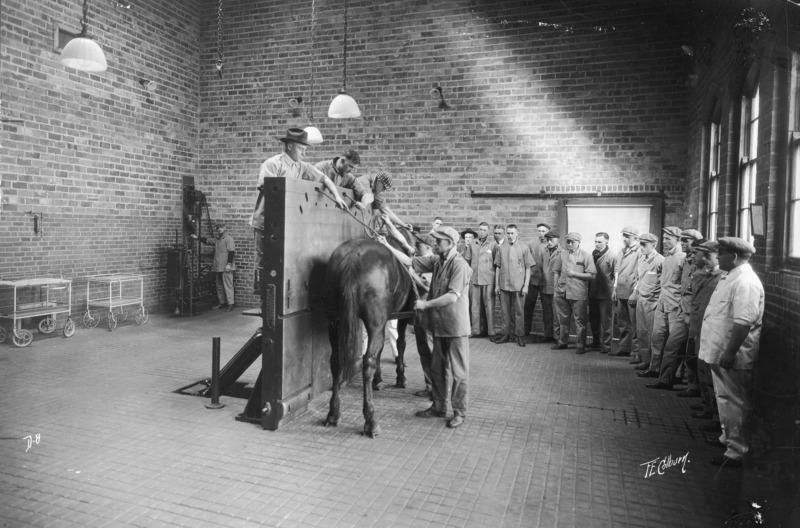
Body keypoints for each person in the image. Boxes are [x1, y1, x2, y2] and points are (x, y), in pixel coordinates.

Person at [249, 128, 347, 299]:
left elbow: (325, 179)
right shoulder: (272, 164)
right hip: (266, 223)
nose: (304, 152)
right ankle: (264, 303)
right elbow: (272, 193)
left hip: (286, 224)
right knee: (265, 262)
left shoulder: (301, 166)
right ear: (288, 146)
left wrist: (337, 196)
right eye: (301, 148)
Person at [698, 237, 764, 468]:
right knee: (724, 398)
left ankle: (737, 451)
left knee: (734, 401)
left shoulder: (745, 281)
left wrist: (730, 352)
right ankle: (728, 438)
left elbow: (743, 323)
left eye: (722, 253)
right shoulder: (731, 276)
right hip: (720, 350)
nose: (718, 257)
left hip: (731, 354)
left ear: (734, 257)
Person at [409, 226, 472, 429]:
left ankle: (459, 412)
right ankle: (438, 406)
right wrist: (385, 245)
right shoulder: (437, 260)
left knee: (459, 372)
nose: (434, 244)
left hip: (455, 327)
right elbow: (410, 261)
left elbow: (452, 296)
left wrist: (425, 304)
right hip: (439, 325)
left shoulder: (459, 265)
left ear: (450, 243)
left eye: (438, 241)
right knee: (437, 368)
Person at [642, 226, 687, 386]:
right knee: (657, 337)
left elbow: (685, 285)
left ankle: (673, 375)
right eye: (665, 238)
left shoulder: (683, 258)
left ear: (678, 239)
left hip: (675, 306)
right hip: (662, 302)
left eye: (669, 238)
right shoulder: (667, 258)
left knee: (673, 344)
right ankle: (655, 369)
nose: (665, 242)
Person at [686, 240, 724, 421]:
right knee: (701, 369)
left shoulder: (722, 277)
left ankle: (716, 415)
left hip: (711, 331)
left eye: (707, 255)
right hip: (698, 328)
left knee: (711, 373)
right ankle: (707, 407)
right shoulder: (701, 274)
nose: (700, 257)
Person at [553, 232, 596, 354]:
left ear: (579, 243)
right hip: (562, 291)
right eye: (568, 242)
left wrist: (575, 274)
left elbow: (592, 275)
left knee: (580, 320)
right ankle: (562, 342)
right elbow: (556, 271)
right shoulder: (562, 254)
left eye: (573, 242)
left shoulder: (586, 256)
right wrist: (556, 288)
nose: (570, 244)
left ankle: (581, 345)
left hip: (578, 292)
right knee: (563, 319)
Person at [493, 224, 534, 347]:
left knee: (519, 311)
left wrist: (526, 285)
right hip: (504, 284)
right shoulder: (501, 248)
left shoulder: (524, 247)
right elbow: (498, 267)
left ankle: (519, 335)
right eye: (508, 233)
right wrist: (496, 285)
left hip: (518, 285)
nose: (510, 236)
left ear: (517, 233)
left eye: (512, 233)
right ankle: (506, 334)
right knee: (505, 311)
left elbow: (528, 268)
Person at [630, 233, 664, 374]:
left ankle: (654, 365)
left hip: (652, 302)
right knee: (641, 332)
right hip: (641, 300)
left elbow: (663, 284)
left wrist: (658, 302)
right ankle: (645, 360)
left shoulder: (660, 261)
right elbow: (639, 279)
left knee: (653, 336)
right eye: (640, 244)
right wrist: (635, 292)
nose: (641, 247)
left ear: (654, 245)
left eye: (644, 245)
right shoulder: (641, 259)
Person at [610, 226, 640, 359]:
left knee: (634, 323)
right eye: (624, 236)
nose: (625, 238)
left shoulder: (640, 251)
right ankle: (624, 348)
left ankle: (636, 352)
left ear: (635, 237)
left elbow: (641, 274)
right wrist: (614, 288)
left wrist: (635, 292)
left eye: (628, 236)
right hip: (621, 290)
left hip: (632, 290)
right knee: (622, 321)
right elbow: (617, 271)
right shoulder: (621, 251)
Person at [192, 223, 236, 311]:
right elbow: (208, 240)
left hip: (226, 267)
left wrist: (229, 264)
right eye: (218, 228)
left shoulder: (229, 239)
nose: (219, 229)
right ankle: (222, 303)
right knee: (219, 286)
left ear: (225, 228)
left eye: (221, 228)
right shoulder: (217, 239)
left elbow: (231, 252)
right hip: (218, 266)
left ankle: (231, 304)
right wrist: (197, 238)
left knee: (228, 285)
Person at [465, 222, 497, 339]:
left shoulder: (493, 245)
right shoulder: (472, 243)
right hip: (474, 279)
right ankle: (475, 330)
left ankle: (491, 332)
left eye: (484, 230)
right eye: (480, 229)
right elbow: (467, 261)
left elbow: (496, 263)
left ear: (488, 231)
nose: (481, 232)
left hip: (488, 279)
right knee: (475, 306)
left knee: (489, 306)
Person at [589, 232, 615, 354]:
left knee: (606, 320)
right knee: (594, 318)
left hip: (606, 293)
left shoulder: (612, 256)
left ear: (606, 242)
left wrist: (613, 291)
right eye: (596, 241)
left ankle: (606, 345)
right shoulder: (594, 254)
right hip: (593, 292)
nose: (597, 244)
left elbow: (616, 275)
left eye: (600, 242)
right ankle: (596, 342)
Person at [524, 223, 549, 340]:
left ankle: (548, 334)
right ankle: (525, 330)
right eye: (539, 231)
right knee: (528, 306)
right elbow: (527, 261)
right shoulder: (532, 244)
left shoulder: (552, 244)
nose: (541, 233)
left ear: (548, 231)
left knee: (547, 308)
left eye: (543, 231)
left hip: (545, 281)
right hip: (533, 280)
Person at [539, 230, 561, 344]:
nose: (549, 242)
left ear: (557, 239)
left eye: (552, 240)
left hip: (556, 287)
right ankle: (548, 334)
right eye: (548, 240)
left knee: (557, 313)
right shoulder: (543, 251)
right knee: (546, 313)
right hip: (544, 286)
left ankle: (557, 336)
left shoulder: (562, 252)